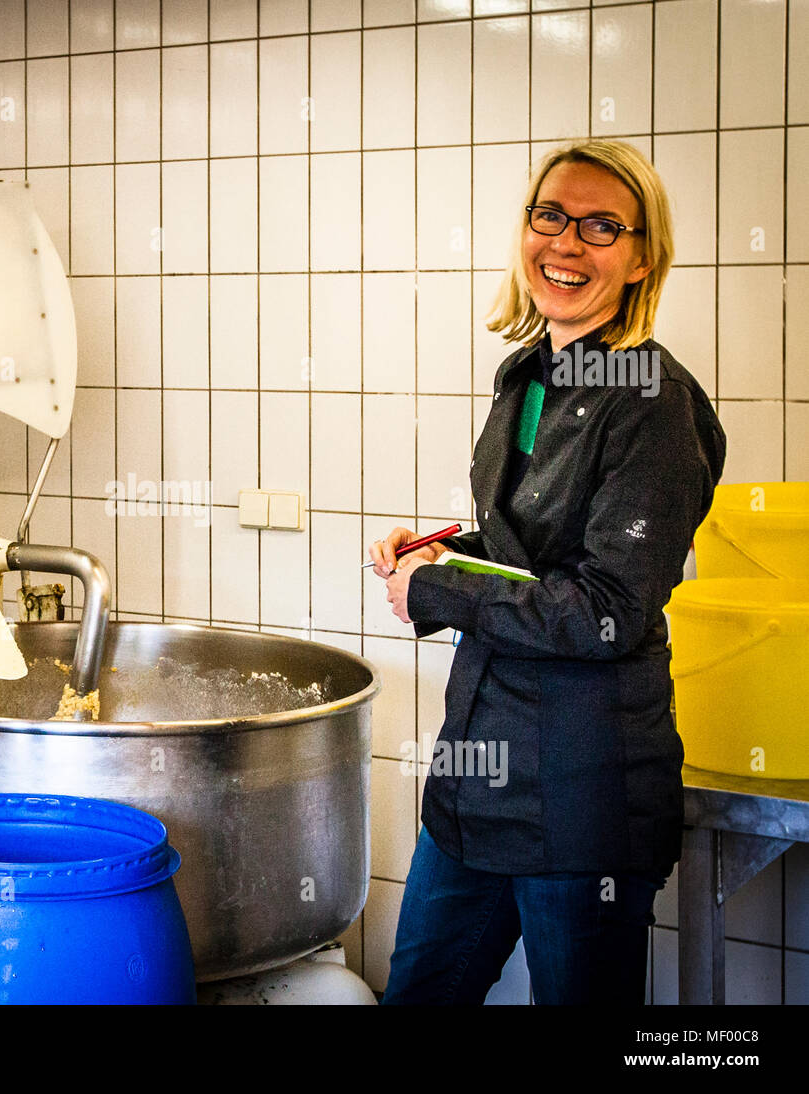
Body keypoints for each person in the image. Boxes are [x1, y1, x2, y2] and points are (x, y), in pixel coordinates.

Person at [368, 140, 726, 1004]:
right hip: (476, 786)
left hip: (582, 795)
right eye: (551, 216)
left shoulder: (654, 404)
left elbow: (607, 606)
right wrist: (445, 554)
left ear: (642, 257)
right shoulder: (528, 377)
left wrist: (441, 591)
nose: (568, 243)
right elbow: (533, 560)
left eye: (603, 226)